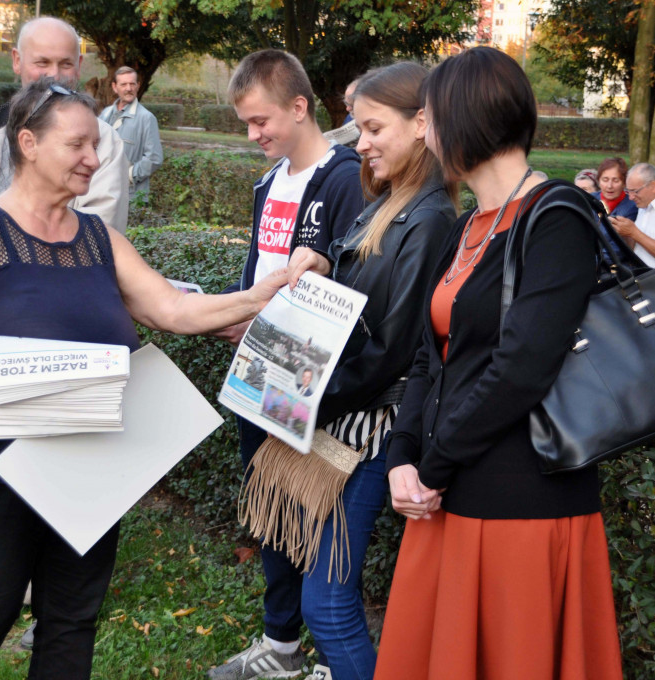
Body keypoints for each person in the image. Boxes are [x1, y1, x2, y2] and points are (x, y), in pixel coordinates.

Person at [0, 78, 288, 680]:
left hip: (91, 462)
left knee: (72, 616)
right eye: (79, 144)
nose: (95, 157)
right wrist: (64, 365)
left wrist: (260, 295)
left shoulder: (98, 237)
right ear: (29, 143)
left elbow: (172, 310)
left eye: (99, 144)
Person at [375, 47, 622, 680]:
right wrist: (402, 455)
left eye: (429, 117)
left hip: (521, 501)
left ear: (464, 119)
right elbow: (430, 359)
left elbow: (522, 367)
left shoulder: (555, 215)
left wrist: (430, 466)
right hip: (448, 488)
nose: (424, 132)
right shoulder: (468, 226)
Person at [269, 61, 457, 680]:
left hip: (370, 432)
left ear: (423, 124)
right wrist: (324, 264)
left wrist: (300, 399)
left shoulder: (428, 218)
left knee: (326, 604)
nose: (362, 142)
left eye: (374, 127)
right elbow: (362, 302)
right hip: (351, 419)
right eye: (357, 127)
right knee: (324, 597)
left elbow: (395, 352)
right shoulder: (393, 201)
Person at [207, 49, 364, 680]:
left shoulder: (347, 177)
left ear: (300, 107)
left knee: (319, 521)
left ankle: (330, 654)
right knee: (269, 506)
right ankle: (280, 644)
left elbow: (354, 291)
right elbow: (262, 274)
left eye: (260, 120)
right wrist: (243, 319)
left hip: (316, 387)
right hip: (259, 373)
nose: (253, 136)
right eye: (246, 124)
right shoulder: (269, 183)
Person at [0, 16, 129, 247]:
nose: (54, 75)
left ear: (80, 65)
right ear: (16, 60)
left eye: (66, 64)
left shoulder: (104, 142)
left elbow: (97, 231)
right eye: (42, 63)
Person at [99, 66, 163, 202]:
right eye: (123, 84)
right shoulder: (105, 113)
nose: (129, 88)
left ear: (138, 86)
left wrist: (128, 175)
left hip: (130, 196)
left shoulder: (146, 118)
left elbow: (154, 158)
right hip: (102, 191)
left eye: (132, 84)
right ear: (115, 87)